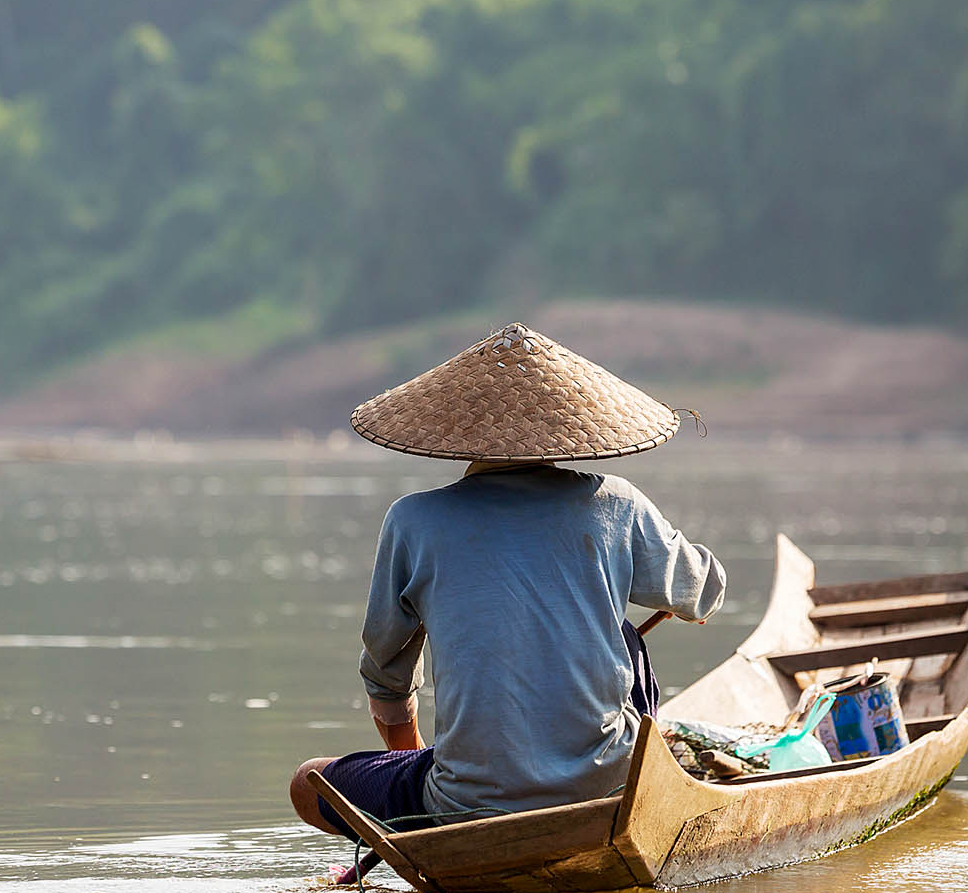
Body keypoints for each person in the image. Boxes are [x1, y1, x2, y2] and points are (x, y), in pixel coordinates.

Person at [289, 323, 726, 842]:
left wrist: (420, 769)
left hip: (464, 803)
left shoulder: (413, 520)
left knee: (307, 782)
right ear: (570, 428)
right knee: (625, 638)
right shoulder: (618, 503)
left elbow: (386, 675)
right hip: (611, 786)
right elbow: (703, 593)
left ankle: (435, 803)